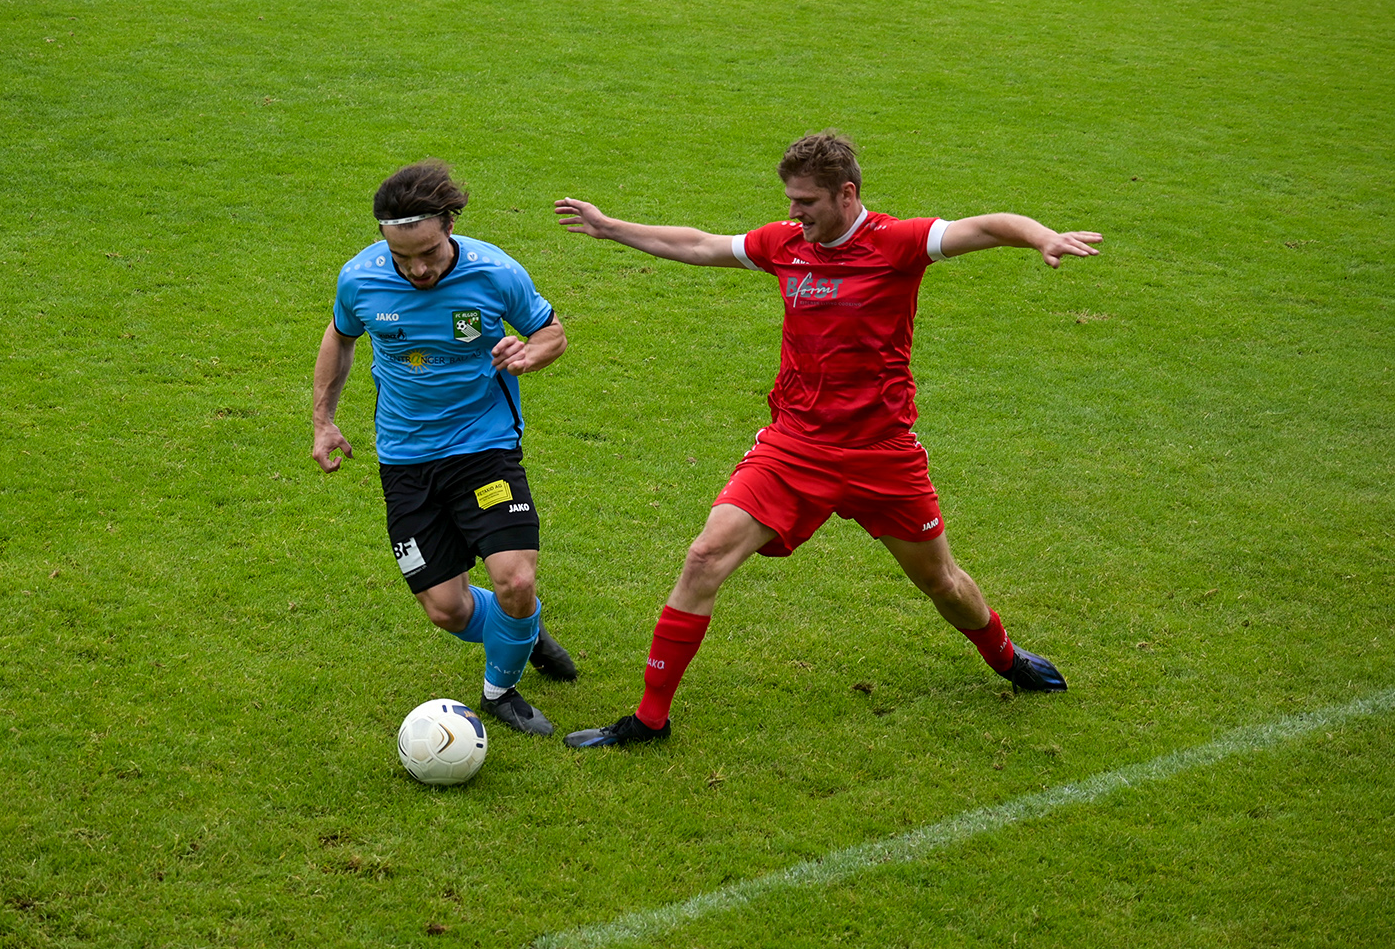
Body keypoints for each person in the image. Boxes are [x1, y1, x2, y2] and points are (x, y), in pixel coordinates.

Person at [553, 131, 1101, 748]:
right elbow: (702, 245)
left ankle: (1004, 656)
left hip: (881, 455)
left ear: (847, 194)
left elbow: (987, 227)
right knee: (706, 557)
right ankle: (650, 720)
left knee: (941, 582)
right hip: (794, 448)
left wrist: (1041, 236)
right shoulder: (785, 245)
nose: (794, 212)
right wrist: (611, 228)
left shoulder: (897, 242)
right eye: (790, 199)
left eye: (806, 201)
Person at [313, 160, 577, 736]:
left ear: (450, 225)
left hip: (484, 446)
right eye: (402, 257)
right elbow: (340, 335)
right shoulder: (359, 279)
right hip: (405, 458)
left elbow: (551, 332)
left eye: (429, 252)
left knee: (516, 580)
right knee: (447, 610)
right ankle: (523, 629)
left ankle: (500, 691)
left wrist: (529, 354)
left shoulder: (495, 272)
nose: (418, 269)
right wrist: (323, 421)